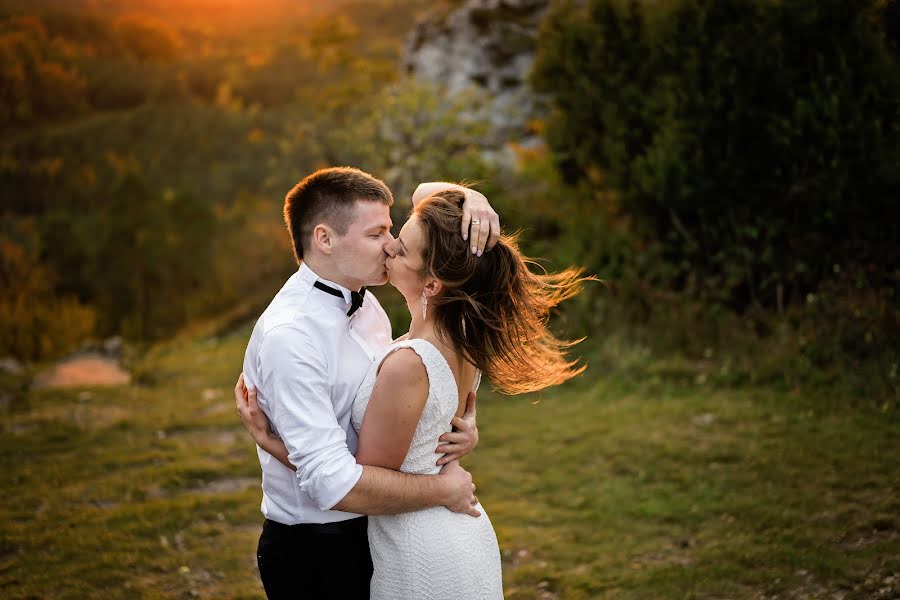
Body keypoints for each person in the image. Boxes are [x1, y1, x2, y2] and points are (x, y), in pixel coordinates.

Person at [240, 187, 591, 598]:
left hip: (414, 538)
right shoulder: (296, 335)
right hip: (329, 547)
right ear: (325, 238)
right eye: (378, 236)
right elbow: (340, 478)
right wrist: (442, 479)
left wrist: (269, 441)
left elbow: (368, 464)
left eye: (397, 241)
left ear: (432, 284)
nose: (390, 247)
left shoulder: (386, 329)